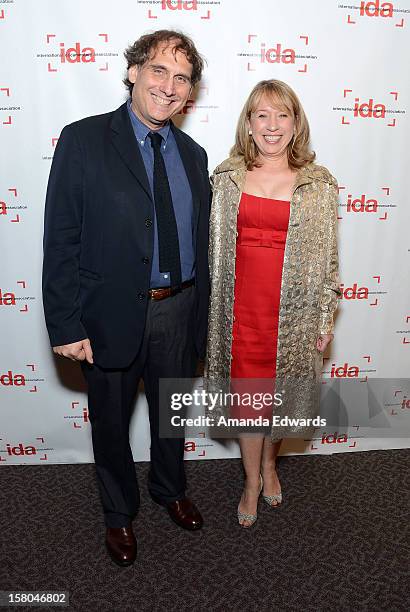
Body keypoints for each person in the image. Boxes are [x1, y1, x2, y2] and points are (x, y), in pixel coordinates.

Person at [42, 30, 210, 565]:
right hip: (108, 311)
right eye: (159, 70)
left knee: (171, 414)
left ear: (189, 92)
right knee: (111, 422)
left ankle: (170, 488)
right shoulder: (84, 139)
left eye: (181, 77)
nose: (169, 85)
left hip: (179, 308)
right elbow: (62, 236)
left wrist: (201, 316)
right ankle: (119, 514)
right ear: (134, 71)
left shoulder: (193, 153)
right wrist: (65, 324)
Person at [205, 79, 341, 527]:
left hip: (295, 310)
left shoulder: (317, 185)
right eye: (262, 114)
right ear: (248, 123)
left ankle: (269, 465)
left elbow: (328, 256)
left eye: (283, 115)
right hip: (240, 308)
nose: (272, 125)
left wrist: (324, 315)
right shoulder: (226, 178)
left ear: (296, 124)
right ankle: (250, 480)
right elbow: (210, 250)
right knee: (248, 399)